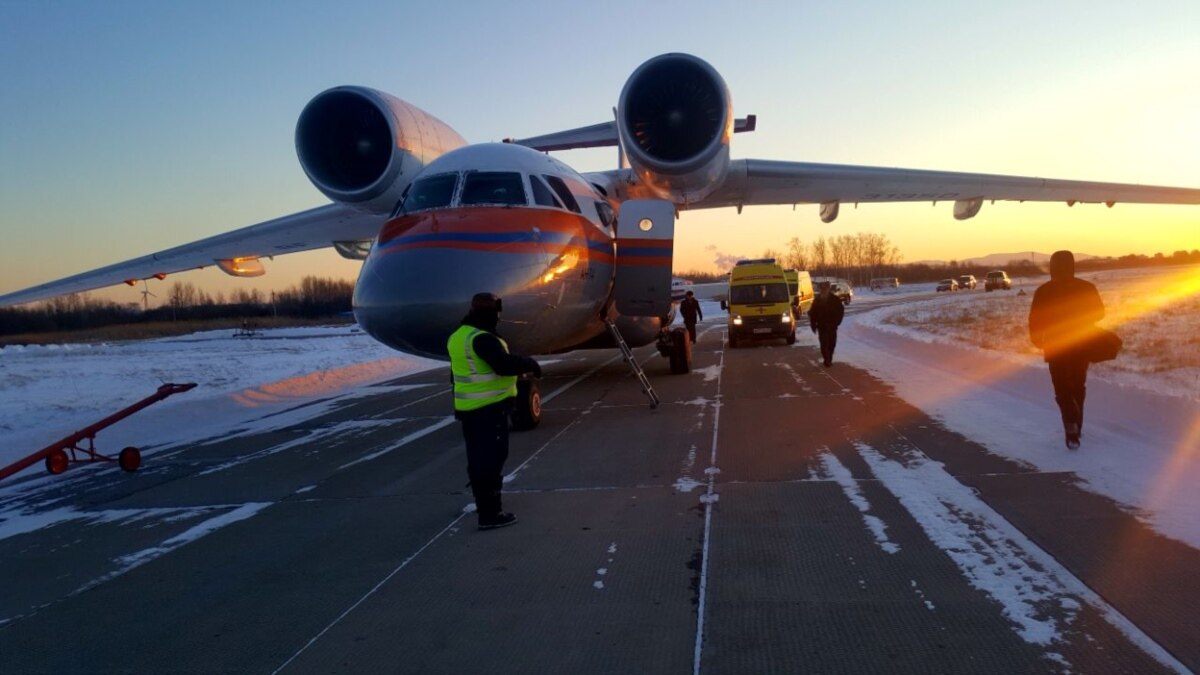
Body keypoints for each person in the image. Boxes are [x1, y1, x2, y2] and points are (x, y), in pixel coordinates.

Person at [447, 293, 542, 529]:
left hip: (469, 410)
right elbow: (503, 365)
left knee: (477, 460)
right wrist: (530, 364)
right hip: (489, 410)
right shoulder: (482, 338)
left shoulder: (459, 337)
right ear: (494, 313)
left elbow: (455, 376)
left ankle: (483, 505)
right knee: (491, 461)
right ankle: (490, 514)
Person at [1028, 250, 1105, 450]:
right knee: (1078, 385)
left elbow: (1035, 320)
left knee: (1062, 388)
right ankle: (1076, 425)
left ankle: (1070, 425)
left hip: (1055, 346)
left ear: (1052, 266)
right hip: (1082, 343)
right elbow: (1100, 313)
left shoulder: (1044, 291)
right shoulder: (1087, 287)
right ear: (1072, 265)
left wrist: (1037, 340)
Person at [808, 281, 844, 367]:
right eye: (822, 289)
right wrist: (813, 325)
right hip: (822, 326)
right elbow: (812, 313)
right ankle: (826, 359)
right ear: (820, 290)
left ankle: (829, 357)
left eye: (826, 289)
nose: (824, 290)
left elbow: (840, 311)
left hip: (832, 326)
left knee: (832, 343)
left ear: (829, 289)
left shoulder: (835, 299)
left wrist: (837, 322)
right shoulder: (817, 300)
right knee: (824, 344)